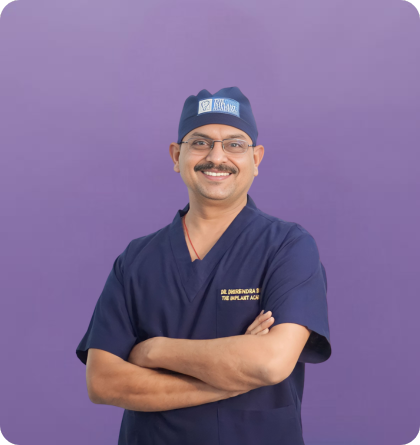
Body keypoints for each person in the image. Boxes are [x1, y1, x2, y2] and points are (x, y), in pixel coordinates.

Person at [76, 86, 332, 445]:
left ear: (256, 158)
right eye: (200, 142)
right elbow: (103, 382)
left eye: (234, 144)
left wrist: (154, 350)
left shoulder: (288, 246)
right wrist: (232, 379)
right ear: (176, 155)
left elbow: (270, 363)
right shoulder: (136, 259)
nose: (216, 156)